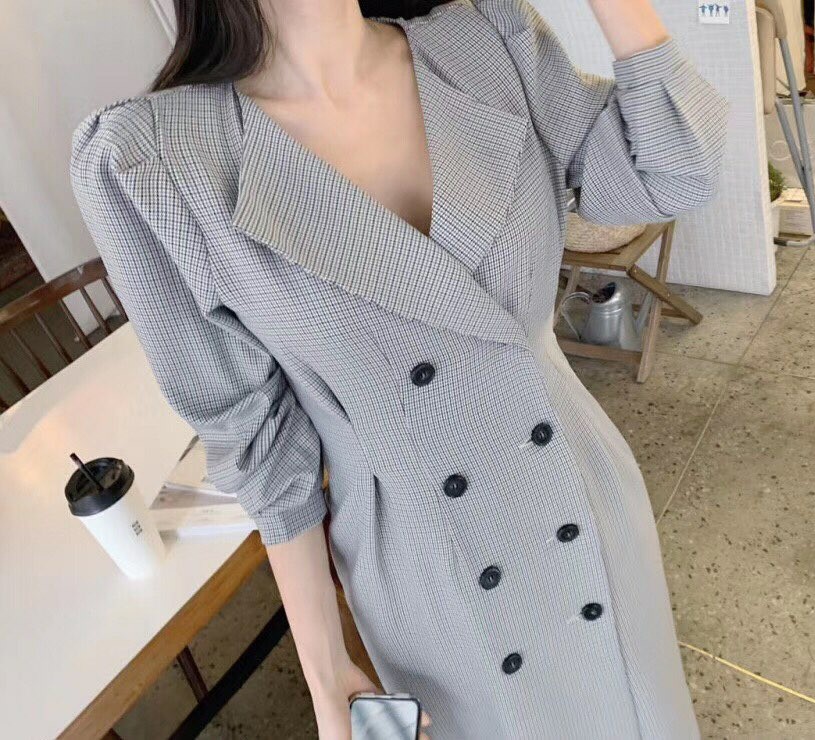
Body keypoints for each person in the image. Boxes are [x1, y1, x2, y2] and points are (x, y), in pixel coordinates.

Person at [69, 0, 729, 736]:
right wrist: (325, 672)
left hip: (583, 495)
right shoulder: (151, 160)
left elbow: (673, 175)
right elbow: (257, 444)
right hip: (429, 571)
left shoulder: (487, 37)